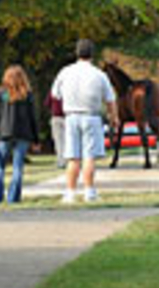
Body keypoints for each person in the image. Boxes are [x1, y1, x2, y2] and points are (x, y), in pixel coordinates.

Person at [50, 39, 118, 204]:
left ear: (76, 53)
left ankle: (70, 193)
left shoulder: (65, 72)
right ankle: (89, 191)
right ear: (92, 55)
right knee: (89, 157)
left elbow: (55, 94)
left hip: (71, 116)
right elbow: (110, 100)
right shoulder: (99, 74)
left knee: (73, 158)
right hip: (91, 116)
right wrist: (114, 118)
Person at [0, 65, 40, 204]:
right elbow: (32, 118)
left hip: (3, 134)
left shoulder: (1, 94)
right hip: (23, 135)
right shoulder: (27, 95)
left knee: (0, 167)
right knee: (18, 167)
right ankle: (13, 198)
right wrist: (36, 139)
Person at [44, 90, 67, 169]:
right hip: (67, 117)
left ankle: (61, 160)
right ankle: (65, 160)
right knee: (66, 140)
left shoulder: (53, 92)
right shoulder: (69, 90)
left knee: (58, 141)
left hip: (56, 117)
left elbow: (47, 104)